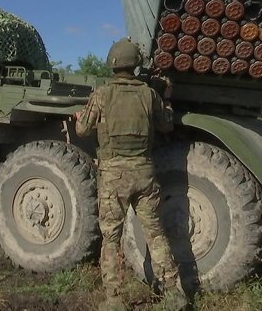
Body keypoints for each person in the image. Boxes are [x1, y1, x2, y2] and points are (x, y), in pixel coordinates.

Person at [75, 38, 186, 311]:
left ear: (113, 63)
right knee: (156, 233)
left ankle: (114, 300)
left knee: (111, 238)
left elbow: (82, 132)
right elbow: (166, 125)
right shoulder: (149, 94)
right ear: (136, 64)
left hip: (114, 177)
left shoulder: (102, 94)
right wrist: (168, 103)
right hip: (145, 174)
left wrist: (81, 118)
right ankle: (174, 293)